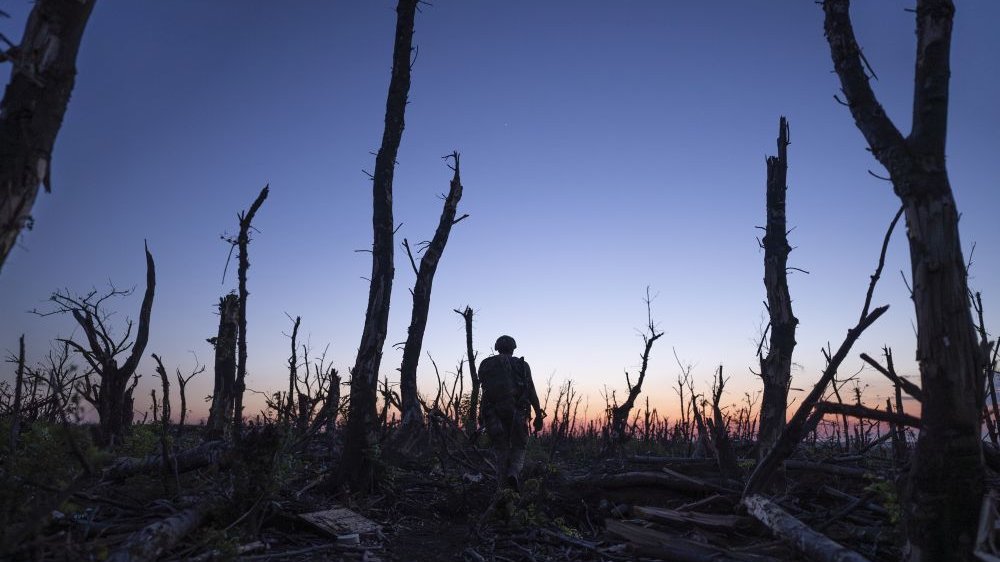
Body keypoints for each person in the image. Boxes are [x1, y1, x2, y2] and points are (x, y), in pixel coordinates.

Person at [478, 335, 544, 490]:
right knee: (520, 446)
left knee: (500, 448)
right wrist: (538, 415)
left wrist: (481, 417)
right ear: (513, 348)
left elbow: (485, 392)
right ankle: (513, 473)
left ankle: (501, 487)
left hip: (492, 413)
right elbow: (531, 391)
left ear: (497, 347)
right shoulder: (522, 365)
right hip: (517, 413)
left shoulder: (486, 364)